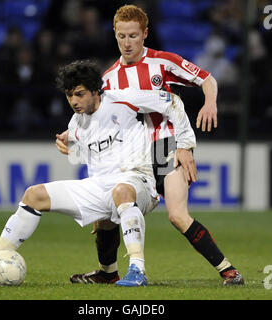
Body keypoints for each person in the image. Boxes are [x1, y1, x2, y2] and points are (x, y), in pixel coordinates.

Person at [0, 60, 197, 287]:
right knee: (34, 194)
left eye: (79, 94)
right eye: (69, 95)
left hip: (138, 181)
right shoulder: (76, 122)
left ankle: (137, 270)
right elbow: (78, 144)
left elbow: (172, 102)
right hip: (99, 186)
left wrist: (184, 144)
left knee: (122, 191)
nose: (74, 101)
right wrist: (67, 142)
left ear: (95, 91)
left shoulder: (122, 99)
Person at [56, 4, 243, 286]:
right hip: (131, 154)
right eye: (121, 36)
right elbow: (95, 120)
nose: (127, 42)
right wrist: (70, 136)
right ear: (115, 35)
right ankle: (107, 273)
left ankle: (228, 270)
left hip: (166, 145)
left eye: (133, 35)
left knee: (177, 216)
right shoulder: (107, 80)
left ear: (144, 33)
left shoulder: (162, 63)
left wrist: (206, 110)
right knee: (106, 215)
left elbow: (206, 79)